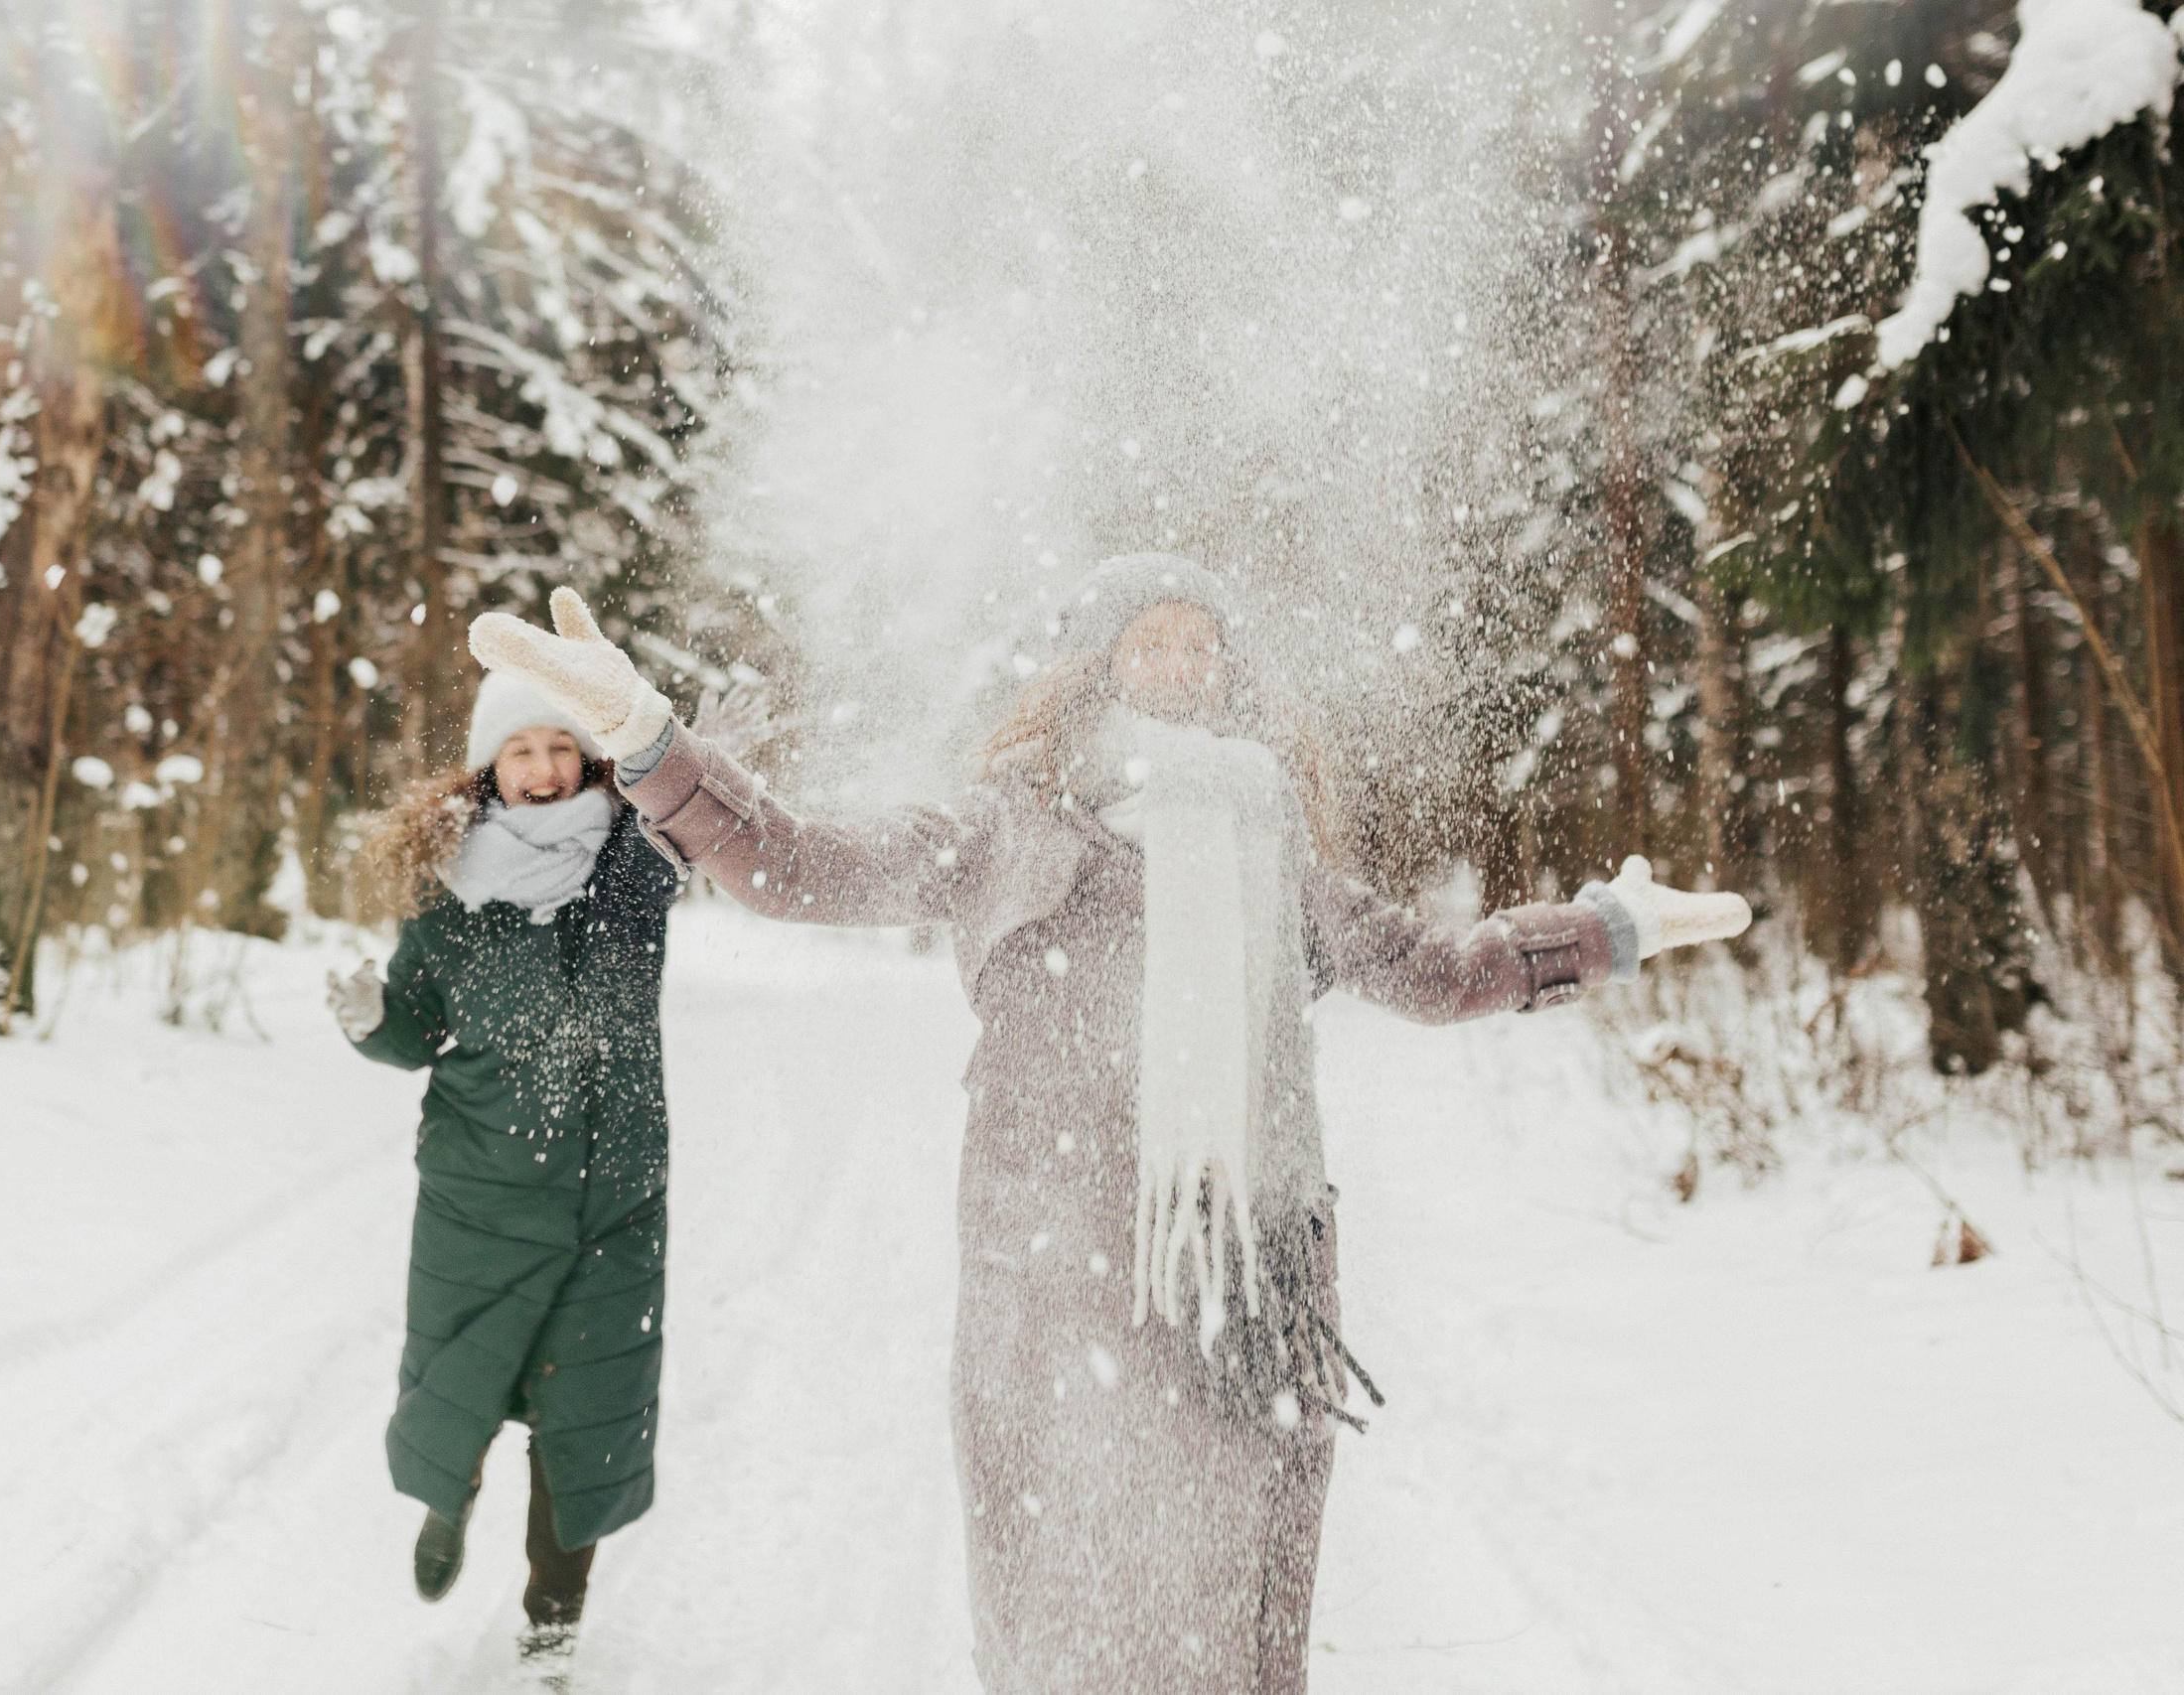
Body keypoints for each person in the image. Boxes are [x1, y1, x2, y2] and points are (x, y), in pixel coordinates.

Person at [470, 558, 1748, 1695]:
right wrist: (648, 740)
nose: (1181, 666)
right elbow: (795, 865)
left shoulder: (1268, 840)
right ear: (1094, 666)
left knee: (1227, 1615)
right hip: (1050, 1286)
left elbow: (1429, 974)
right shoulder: (1005, 828)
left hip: (1242, 1286)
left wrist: (1608, 930)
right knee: (1066, 1613)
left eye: (1202, 643)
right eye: (1152, 641)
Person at [325, 668, 680, 1683]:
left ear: (589, 759)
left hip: (615, 1194)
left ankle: (551, 1624)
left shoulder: (631, 870)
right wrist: (369, 1022)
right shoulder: (448, 887)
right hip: (479, 1187)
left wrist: (691, 763)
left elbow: (691, 807)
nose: (543, 768)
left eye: (561, 748)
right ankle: (451, 1496)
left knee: (588, 1419)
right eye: (520, 751)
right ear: (488, 769)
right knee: (459, 1377)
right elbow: (416, 1031)